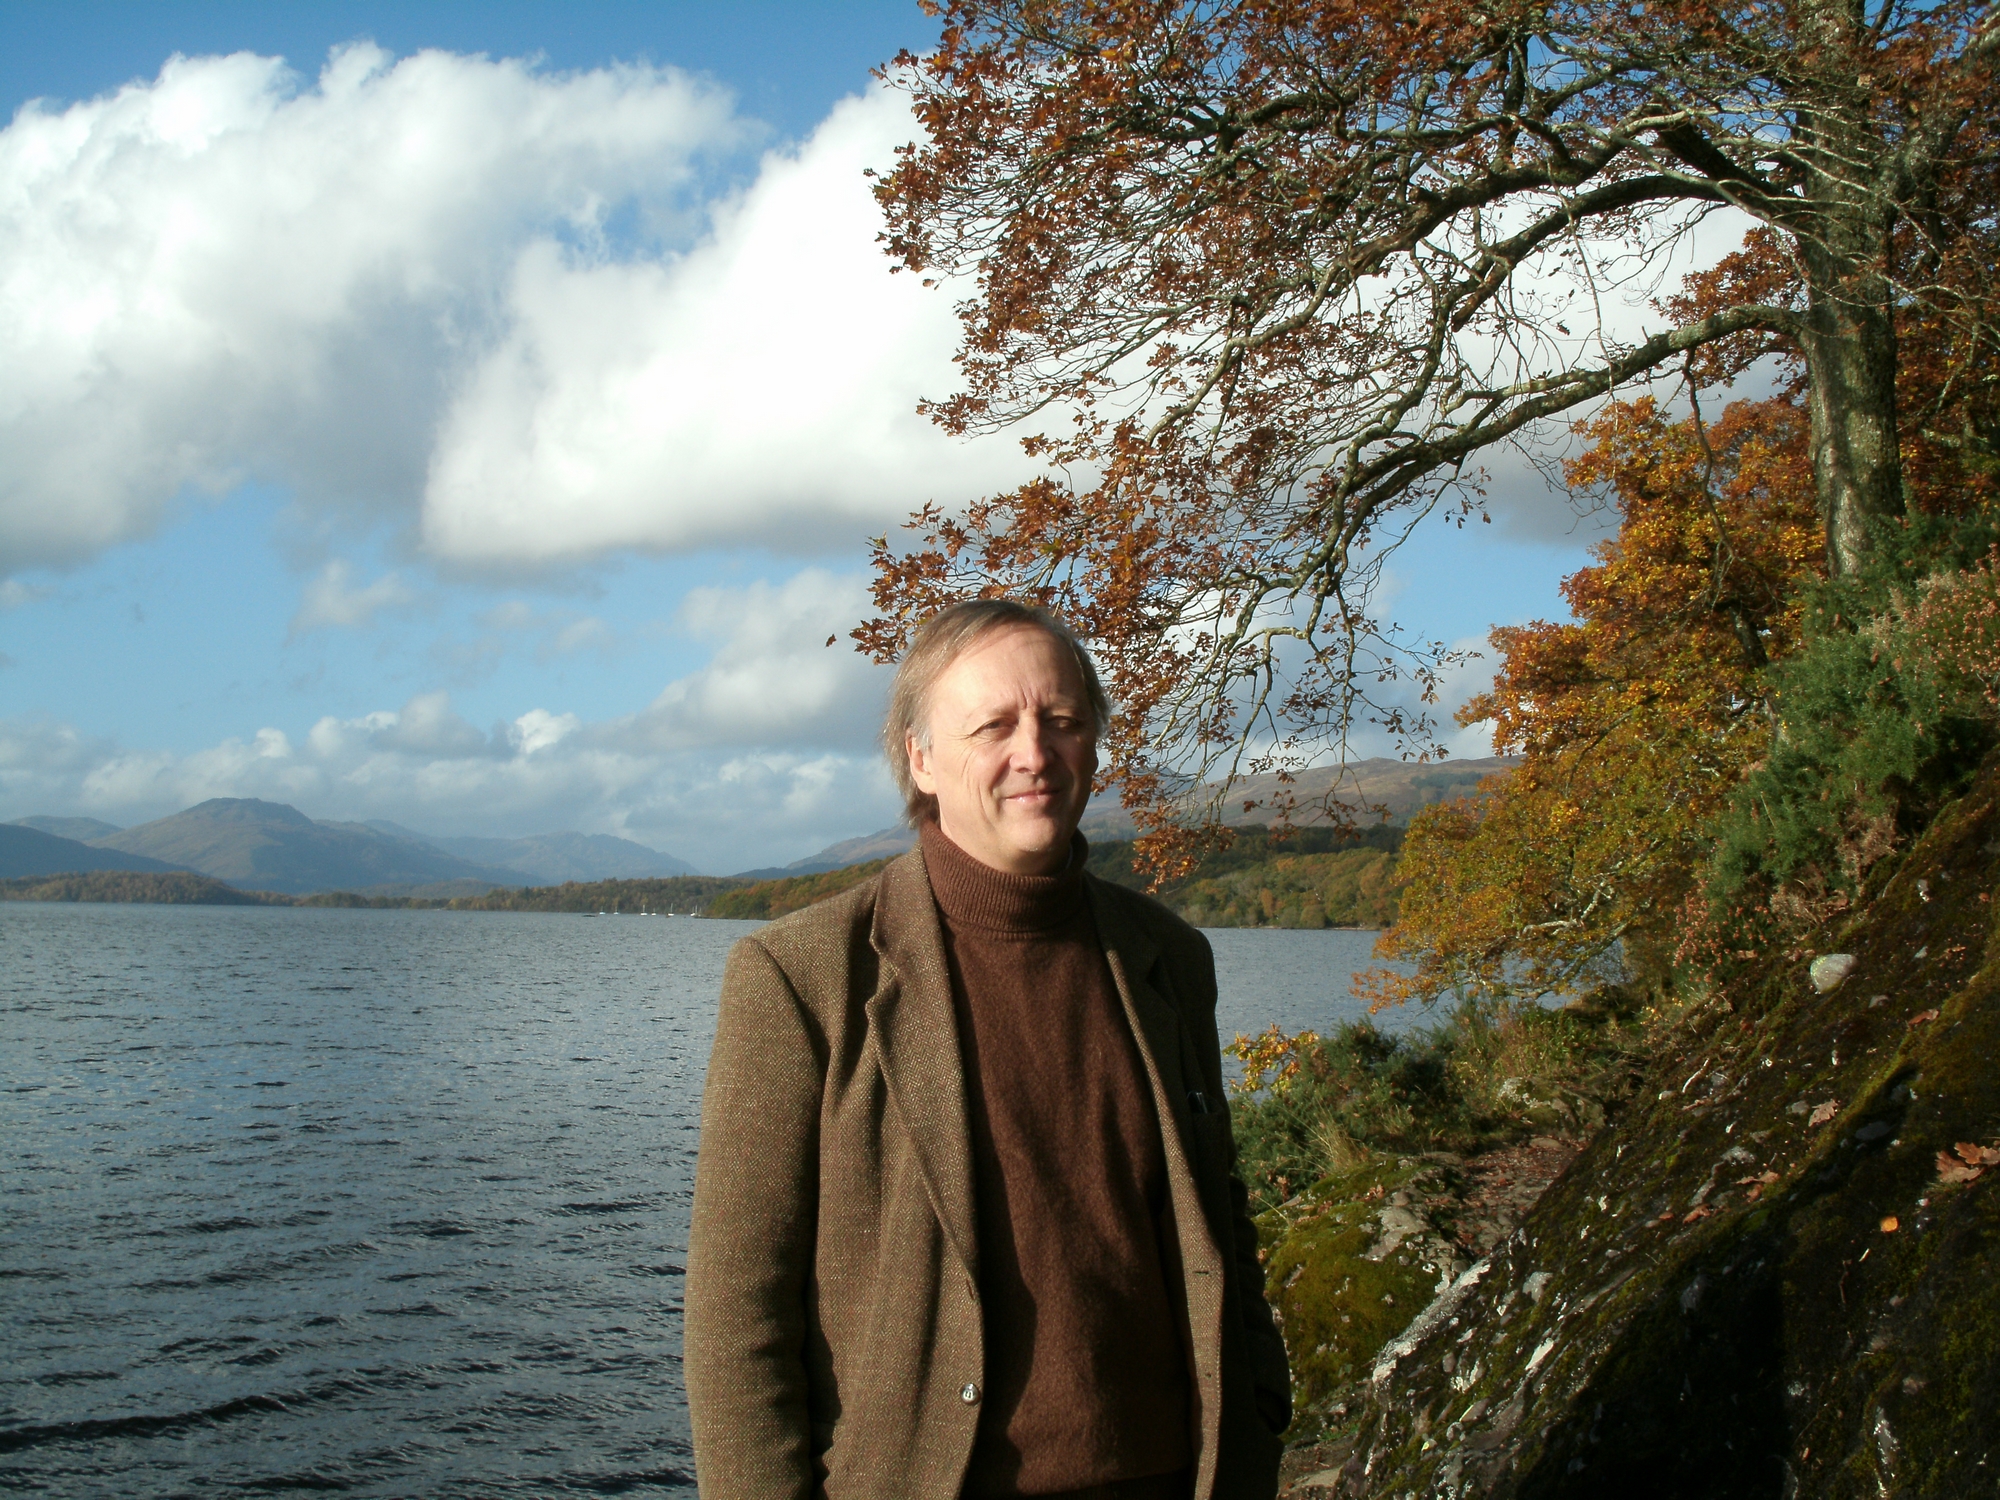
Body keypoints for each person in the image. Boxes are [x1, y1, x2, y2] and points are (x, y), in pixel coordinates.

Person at [684, 599, 1290, 1500]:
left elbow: (1214, 1211)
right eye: (993, 726)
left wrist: (1259, 1401)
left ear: (1093, 744)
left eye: (1062, 721)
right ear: (920, 759)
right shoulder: (800, 976)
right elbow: (738, 1314)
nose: (1034, 755)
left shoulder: (1168, 958)